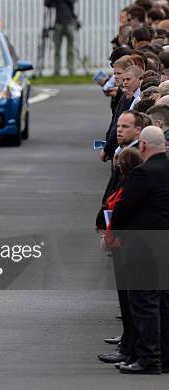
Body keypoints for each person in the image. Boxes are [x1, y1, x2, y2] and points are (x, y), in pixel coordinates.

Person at [111, 126, 169, 374]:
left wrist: (116, 234)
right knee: (164, 302)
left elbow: (124, 209)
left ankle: (148, 357)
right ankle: (164, 356)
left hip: (143, 245)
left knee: (144, 302)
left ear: (142, 146)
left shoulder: (142, 173)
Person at [96, 147, 143, 365]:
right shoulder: (129, 178)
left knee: (138, 300)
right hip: (125, 243)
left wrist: (111, 232)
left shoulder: (136, 179)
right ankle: (130, 344)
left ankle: (136, 349)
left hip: (131, 244)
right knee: (130, 299)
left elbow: (120, 209)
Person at [45, 0, 78, 76]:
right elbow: (48, 4)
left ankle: (70, 69)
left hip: (67, 22)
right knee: (58, 50)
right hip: (61, 23)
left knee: (69, 49)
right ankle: (58, 70)